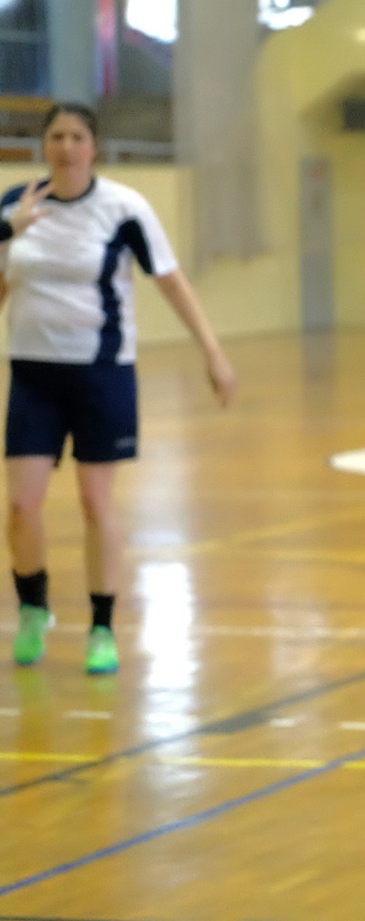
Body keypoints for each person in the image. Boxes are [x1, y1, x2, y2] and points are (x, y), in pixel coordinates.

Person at [2, 102, 235, 676]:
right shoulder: (15, 206)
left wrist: (211, 350)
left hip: (101, 374)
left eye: (76, 137)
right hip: (32, 373)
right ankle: (33, 608)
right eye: (56, 137)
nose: (65, 147)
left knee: (95, 501)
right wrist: (12, 231)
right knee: (22, 506)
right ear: (44, 146)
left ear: (94, 148)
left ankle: (102, 626)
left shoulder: (124, 208)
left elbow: (171, 281)